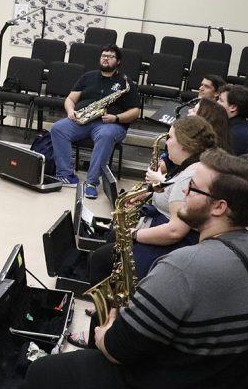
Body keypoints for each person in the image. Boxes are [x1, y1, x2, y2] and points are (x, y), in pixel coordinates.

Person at [26, 148, 248, 389]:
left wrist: (104, 332)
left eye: (193, 187)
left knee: (42, 376)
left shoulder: (184, 267)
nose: (184, 189)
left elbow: (117, 350)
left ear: (219, 207)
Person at [72, 116, 217, 331]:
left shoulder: (189, 177)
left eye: (170, 138)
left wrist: (133, 235)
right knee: (108, 248)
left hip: (174, 246)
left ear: (185, 144)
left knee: (101, 260)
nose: (167, 143)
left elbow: (175, 231)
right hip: (175, 238)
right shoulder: (190, 166)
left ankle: (105, 324)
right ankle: (111, 309)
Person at [50, 44, 142, 199]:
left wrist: (117, 118)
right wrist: (70, 111)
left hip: (110, 124)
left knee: (105, 136)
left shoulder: (126, 83)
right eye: (103, 55)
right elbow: (70, 99)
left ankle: (92, 182)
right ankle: (65, 175)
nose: (106, 58)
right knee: (58, 128)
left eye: (110, 56)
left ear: (118, 61)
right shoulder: (88, 77)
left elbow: (135, 112)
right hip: (83, 119)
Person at [218, 84, 248, 155]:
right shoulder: (239, 126)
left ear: (233, 107)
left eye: (221, 100)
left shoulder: (236, 135)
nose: (216, 102)